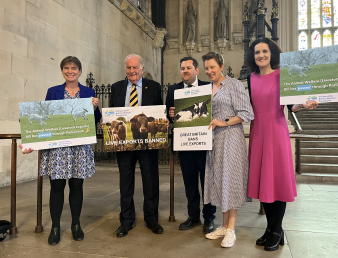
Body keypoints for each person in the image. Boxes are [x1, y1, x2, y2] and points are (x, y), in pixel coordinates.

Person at [20, 56, 102, 246]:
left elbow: (95, 120)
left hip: (79, 147)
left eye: (74, 68)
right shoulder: (53, 91)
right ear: (62, 71)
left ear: (80, 71)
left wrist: (96, 109)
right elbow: (46, 117)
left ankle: (75, 224)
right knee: (56, 187)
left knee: (76, 186)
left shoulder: (89, 92)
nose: (70, 71)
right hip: (58, 148)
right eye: (66, 68)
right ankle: (55, 227)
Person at [246, 37, 318, 252]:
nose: (261, 55)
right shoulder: (250, 78)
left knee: (276, 181)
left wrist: (304, 104)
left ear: (272, 54)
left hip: (277, 131)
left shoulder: (282, 75)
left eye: (264, 51)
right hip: (258, 131)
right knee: (264, 182)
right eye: (257, 52)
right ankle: (271, 229)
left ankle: (277, 230)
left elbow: (291, 105)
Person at [202, 52, 254, 248]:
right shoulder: (206, 88)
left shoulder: (233, 84)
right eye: (207, 68)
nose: (209, 71)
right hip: (213, 140)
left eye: (212, 67)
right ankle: (223, 225)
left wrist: (223, 122)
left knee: (230, 180)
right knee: (219, 180)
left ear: (221, 66)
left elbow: (247, 113)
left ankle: (231, 229)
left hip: (231, 138)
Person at [110, 54, 164, 238]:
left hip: (147, 142)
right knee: (125, 181)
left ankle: (151, 218)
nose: (131, 71)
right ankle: (126, 220)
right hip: (125, 143)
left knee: (150, 180)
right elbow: (112, 114)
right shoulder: (116, 88)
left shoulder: (154, 87)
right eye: (128, 68)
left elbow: (159, 114)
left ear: (142, 68)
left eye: (135, 68)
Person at [165, 56, 216, 234]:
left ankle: (209, 218)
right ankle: (193, 216)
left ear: (196, 70)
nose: (184, 71)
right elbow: (168, 116)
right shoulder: (173, 90)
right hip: (185, 144)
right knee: (190, 183)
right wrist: (170, 114)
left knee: (207, 183)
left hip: (204, 144)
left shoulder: (207, 87)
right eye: (182, 68)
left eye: (188, 68)